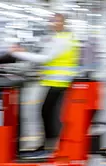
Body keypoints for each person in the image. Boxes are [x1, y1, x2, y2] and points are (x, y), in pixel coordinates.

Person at [11, 13, 80, 157]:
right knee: (49, 113)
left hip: (59, 82)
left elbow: (45, 58)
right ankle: (49, 146)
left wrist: (18, 54)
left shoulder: (61, 40)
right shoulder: (61, 38)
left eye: (57, 21)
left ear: (64, 23)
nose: (54, 23)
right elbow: (46, 57)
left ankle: (49, 148)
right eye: (52, 21)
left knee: (46, 113)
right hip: (57, 82)